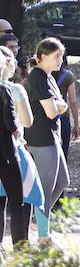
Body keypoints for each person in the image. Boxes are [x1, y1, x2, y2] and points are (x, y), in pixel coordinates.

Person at [25, 38, 70, 223]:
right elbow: (52, 112)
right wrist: (59, 105)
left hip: (53, 137)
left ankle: (39, 218)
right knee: (46, 187)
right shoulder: (37, 76)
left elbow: (62, 106)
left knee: (62, 182)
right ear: (43, 56)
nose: (60, 60)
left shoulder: (49, 76)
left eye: (62, 56)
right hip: (41, 138)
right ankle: (44, 232)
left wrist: (58, 105)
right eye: (57, 56)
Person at [0, 45, 34, 246]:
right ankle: (20, 248)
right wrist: (19, 136)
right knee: (17, 200)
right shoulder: (5, 90)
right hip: (5, 150)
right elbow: (13, 124)